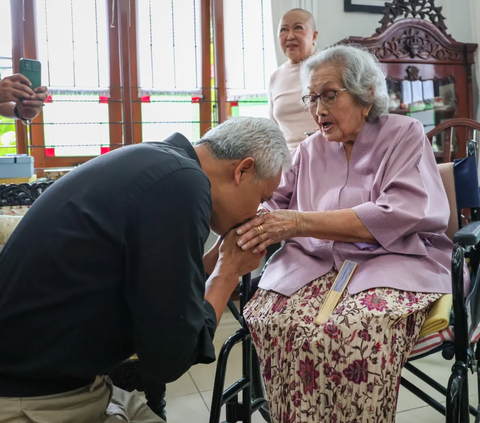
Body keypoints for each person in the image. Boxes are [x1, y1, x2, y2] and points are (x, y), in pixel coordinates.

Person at [0, 116, 291, 423]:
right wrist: (228, 272)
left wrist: (219, 259)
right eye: (261, 199)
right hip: (35, 398)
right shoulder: (183, 185)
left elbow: (163, 287)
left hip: (70, 382)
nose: (257, 211)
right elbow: (170, 357)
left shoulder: (162, 162)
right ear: (242, 170)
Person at [235, 45, 452, 422]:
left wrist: (300, 222)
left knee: (352, 332)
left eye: (329, 95)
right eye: (312, 98)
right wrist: (259, 220)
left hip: (392, 264)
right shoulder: (308, 149)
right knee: (274, 321)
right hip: (313, 265)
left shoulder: (405, 134)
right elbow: (273, 201)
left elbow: (395, 212)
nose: (318, 109)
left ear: (366, 95)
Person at [269, 8, 319, 150]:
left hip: (325, 155)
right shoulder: (275, 77)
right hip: (288, 161)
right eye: (283, 30)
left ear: (314, 36)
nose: (290, 36)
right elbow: (274, 129)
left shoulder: (328, 67)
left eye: (298, 28)